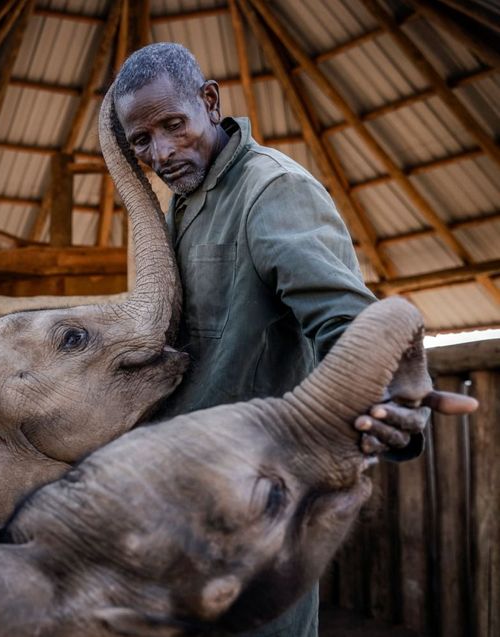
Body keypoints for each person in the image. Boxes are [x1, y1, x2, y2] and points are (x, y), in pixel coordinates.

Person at [111, 43, 478, 636]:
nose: (163, 152)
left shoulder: (273, 190)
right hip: (186, 500)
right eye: (142, 141)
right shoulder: (185, 201)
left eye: (174, 125)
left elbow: (346, 323)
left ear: (209, 101)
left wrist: (387, 402)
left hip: (258, 510)